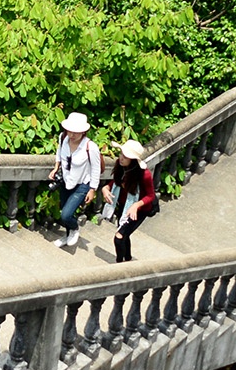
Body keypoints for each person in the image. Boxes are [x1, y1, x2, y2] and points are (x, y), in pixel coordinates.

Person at [49, 112, 101, 250]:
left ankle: (75, 228)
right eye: (70, 131)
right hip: (66, 181)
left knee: (66, 215)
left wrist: (92, 189)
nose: (72, 135)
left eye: (76, 132)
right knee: (63, 211)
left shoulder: (90, 147)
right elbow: (59, 152)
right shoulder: (63, 138)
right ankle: (67, 236)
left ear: (83, 132)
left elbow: (95, 169)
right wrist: (56, 168)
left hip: (82, 184)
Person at [105, 139, 159, 263]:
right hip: (124, 206)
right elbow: (117, 182)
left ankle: (120, 263)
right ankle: (128, 258)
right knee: (124, 234)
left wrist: (136, 205)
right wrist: (106, 188)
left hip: (140, 209)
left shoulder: (144, 175)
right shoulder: (121, 166)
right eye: (121, 154)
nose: (121, 158)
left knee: (119, 237)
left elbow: (151, 195)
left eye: (126, 156)